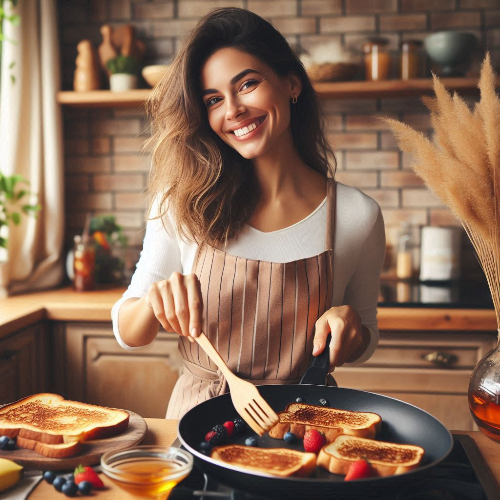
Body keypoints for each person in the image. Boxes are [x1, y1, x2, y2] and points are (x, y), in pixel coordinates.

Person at [111, 8, 385, 420]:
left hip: (305, 422)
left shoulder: (357, 215)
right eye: (214, 100)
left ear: (292, 83)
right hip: (198, 424)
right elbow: (127, 331)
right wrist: (154, 301)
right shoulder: (181, 203)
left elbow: (366, 340)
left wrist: (352, 328)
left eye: (248, 84)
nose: (233, 109)